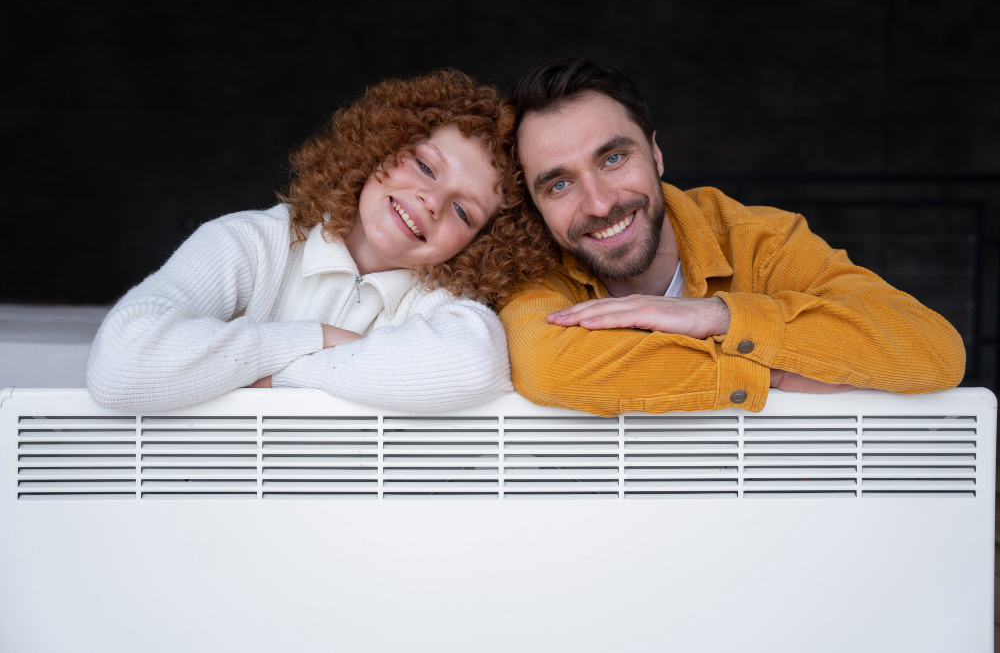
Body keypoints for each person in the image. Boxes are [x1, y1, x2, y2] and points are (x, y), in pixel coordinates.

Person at [498, 57, 966, 417]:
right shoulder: (530, 265)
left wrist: (716, 316)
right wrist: (773, 372)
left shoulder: (761, 240)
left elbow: (933, 348)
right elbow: (547, 368)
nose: (599, 204)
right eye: (559, 185)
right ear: (534, 205)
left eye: (614, 159)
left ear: (655, 154)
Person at [87, 70, 553, 412]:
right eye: (425, 166)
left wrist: (282, 378)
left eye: (463, 211)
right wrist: (318, 337)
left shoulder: (440, 299)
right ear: (383, 146)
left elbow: (474, 364)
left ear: (482, 244)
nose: (431, 201)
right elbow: (120, 366)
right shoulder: (252, 243)